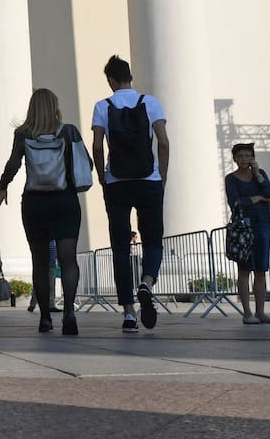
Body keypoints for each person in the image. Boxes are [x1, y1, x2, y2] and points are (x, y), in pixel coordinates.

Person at [0, 88, 84, 335]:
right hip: (65, 201)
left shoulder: (23, 134)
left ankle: (45, 318)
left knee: (41, 261)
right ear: (55, 106)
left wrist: (2, 187)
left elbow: (13, 163)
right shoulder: (69, 132)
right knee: (68, 260)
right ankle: (69, 312)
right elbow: (83, 161)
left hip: (35, 203)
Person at [91, 55, 169, 334]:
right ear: (130, 77)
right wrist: (162, 177)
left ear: (111, 80)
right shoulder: (151, 102)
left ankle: (128, 313)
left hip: (117, 182)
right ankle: (147, 281)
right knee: (153, 239)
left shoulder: (103, 106)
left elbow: (98, 147)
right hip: (149, 179)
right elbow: (163, 141)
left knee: (120, 246)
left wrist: (102, 177)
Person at [224, 142, 270, 326]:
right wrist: (255, 198)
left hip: (262, 223)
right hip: (243, 226)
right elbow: (235, 202)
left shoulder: (260, 175)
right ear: (234, 159)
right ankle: (247, 313)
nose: (244, 160)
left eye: (248, 156)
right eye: (240, 156)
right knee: (244, 269)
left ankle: (261, 312)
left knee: (261, 269)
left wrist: (258, 175)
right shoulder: (231, 179)